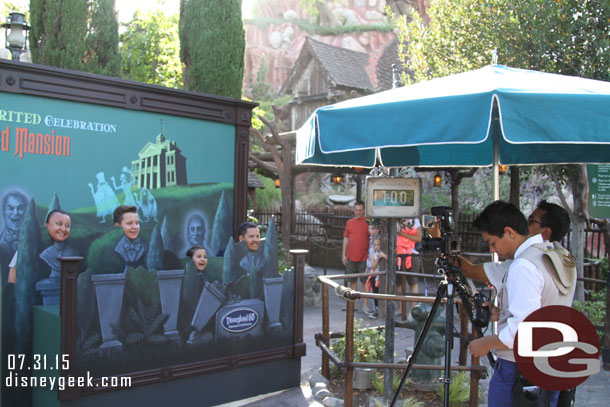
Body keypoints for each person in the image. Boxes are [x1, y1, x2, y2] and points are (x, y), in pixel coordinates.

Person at [467, 201, 576, 407]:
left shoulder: (523, 265)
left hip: (518, 368)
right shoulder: (557, 256)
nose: (493, 250)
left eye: (492, 242)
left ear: (509, 232)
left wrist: (485, 343)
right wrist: (503, 312)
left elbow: (522, 330)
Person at [459, 200, 571, 284]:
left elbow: (469, 270)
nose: (526, 224)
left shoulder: (523, 265)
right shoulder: (563, 259)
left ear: (545, 233)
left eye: (531, 220)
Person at [342, 201, 369, 309]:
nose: (358, 212)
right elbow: (346, 238)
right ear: (354, 210)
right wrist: (343, 254)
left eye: (360, 210)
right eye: (356, 210)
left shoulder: (368, 221)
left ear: (364, 210)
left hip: (364, 256)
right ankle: (352, 305)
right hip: (350, 255)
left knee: (364, 282)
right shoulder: (349, 222)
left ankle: (365, 305)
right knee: (352, 281)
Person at [39, 210, 78, 281]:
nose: (63, 229)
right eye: (59, 224)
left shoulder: (73, 252)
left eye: (67, 226)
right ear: (47, 225)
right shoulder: (46, 254)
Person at [396, 217, 422, 318]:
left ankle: (412, 309)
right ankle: (400, 308)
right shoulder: (397, 221)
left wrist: (402, 234)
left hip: (412, 254)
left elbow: (418, 238)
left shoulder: (415, 221)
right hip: (398, 254)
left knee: (413, 282)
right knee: (398, 282)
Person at [113, 205, 147, 272]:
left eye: (137, 223)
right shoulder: (118, 248)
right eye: (129, 223)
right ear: (119, 225)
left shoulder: (145, 246)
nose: (134, 227)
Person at [365, 237, 387, 319]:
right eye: (375, 245)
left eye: (378, 245)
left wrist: (383, 256)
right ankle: (376, 309)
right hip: (374, 275)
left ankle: (383, 309)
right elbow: (373, 267)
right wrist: (377, 259)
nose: (376, 247)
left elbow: (390, 260)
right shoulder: (372, 254)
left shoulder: (383, 252)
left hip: (383, 276)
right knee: (375, 293)